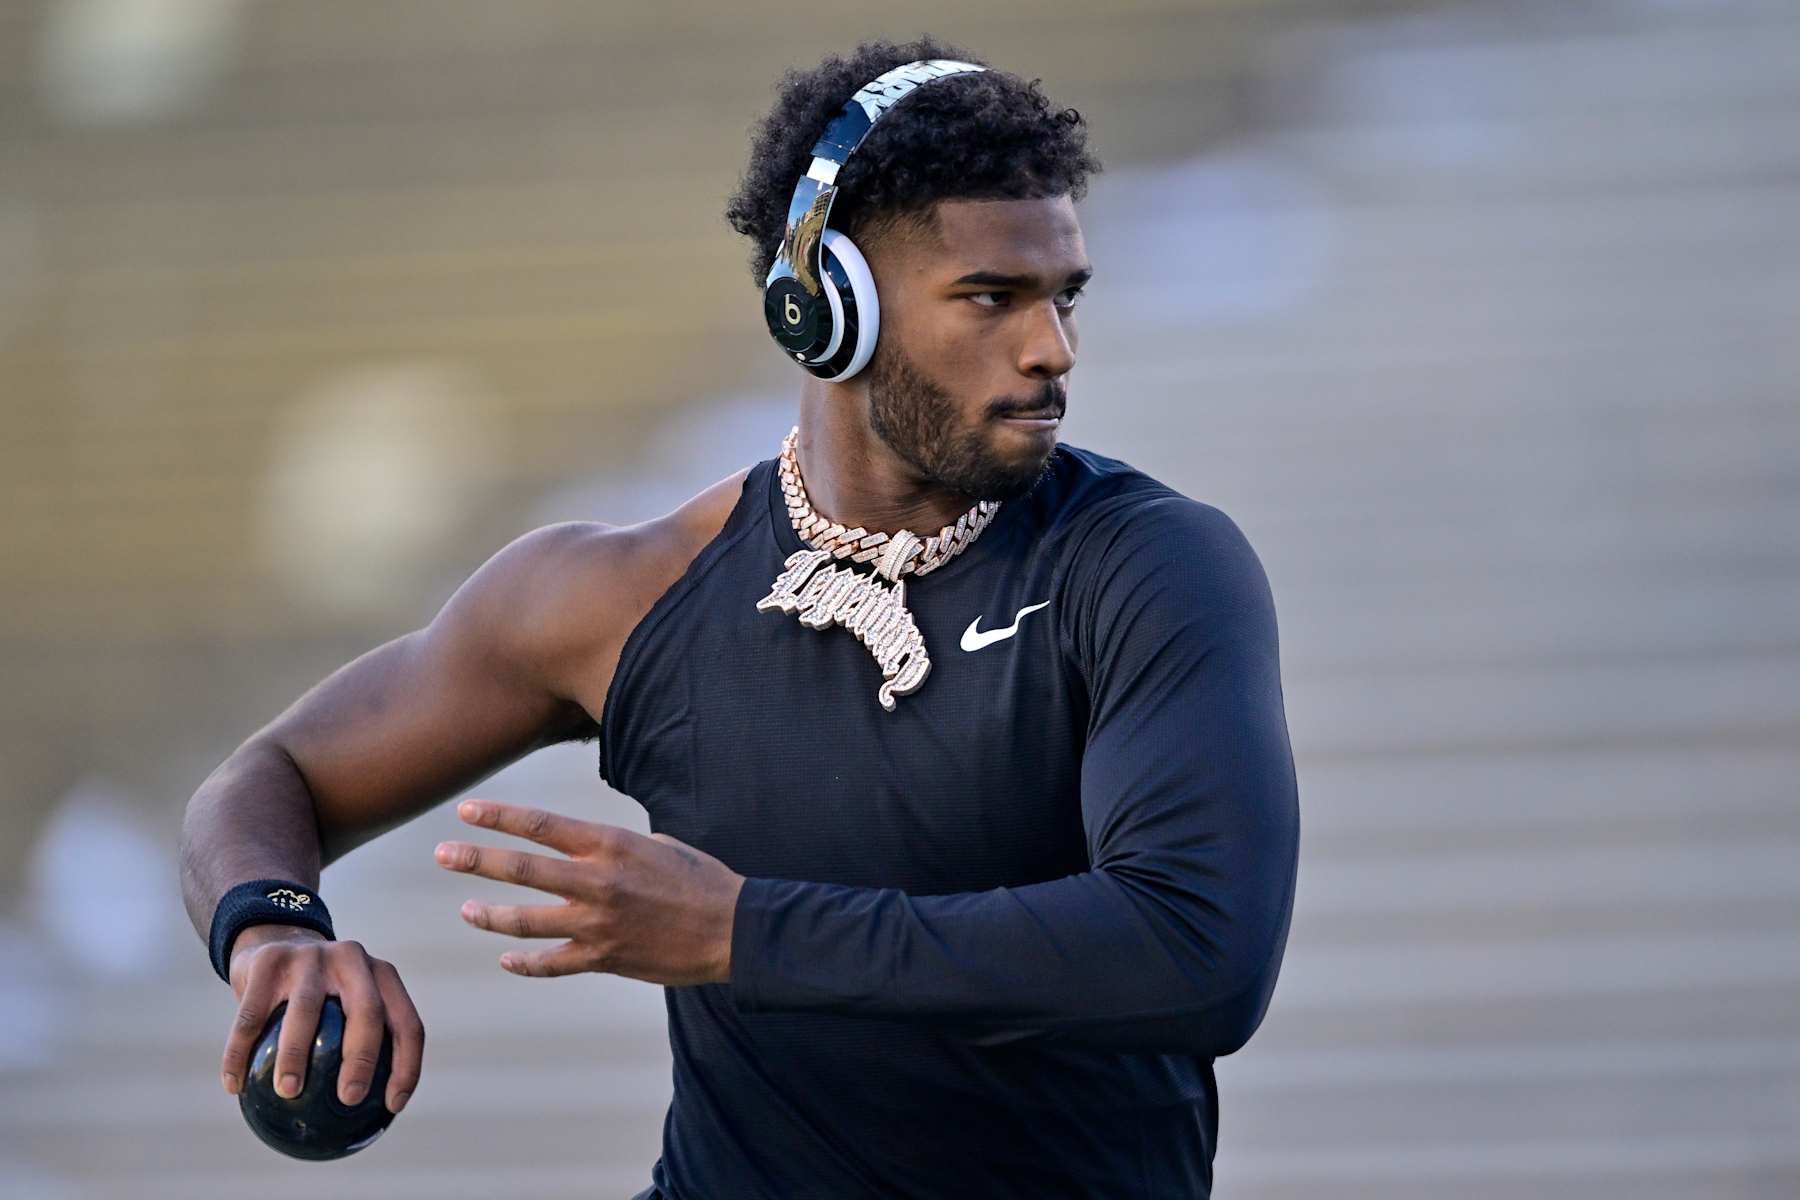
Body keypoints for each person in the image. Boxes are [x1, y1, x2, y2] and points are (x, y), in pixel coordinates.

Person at [179, 35, 1299, 1199]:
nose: (1051, 348)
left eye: (1064, 295)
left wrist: (744, 933)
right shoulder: (622, 592)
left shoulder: (1149, 564)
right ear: (827, 310)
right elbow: (267, 783)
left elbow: (1196, 954)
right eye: (990, 297)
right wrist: (275, 933)